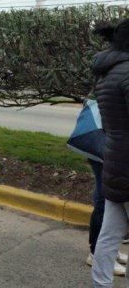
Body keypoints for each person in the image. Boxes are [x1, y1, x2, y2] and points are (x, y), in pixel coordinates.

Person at [90, 20, 129, 288]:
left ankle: (100, 284)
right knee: (110, 233)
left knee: (109, 234)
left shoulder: (105, 72)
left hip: (115, 159)